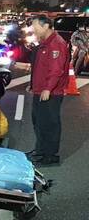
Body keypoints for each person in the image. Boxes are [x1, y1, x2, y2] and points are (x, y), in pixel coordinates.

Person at [27, 15, 69, 166]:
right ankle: (40, 151)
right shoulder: (45, 43)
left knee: (49, 124)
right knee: (38, 122)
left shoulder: (56, 44)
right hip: (40, 90)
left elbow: (56, 70)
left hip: (51, 93)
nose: (34, 30)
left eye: (35, 26)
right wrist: (33, 85)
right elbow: (40, 67)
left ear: (46, 26)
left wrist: (47, 88)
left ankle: (50, 156)